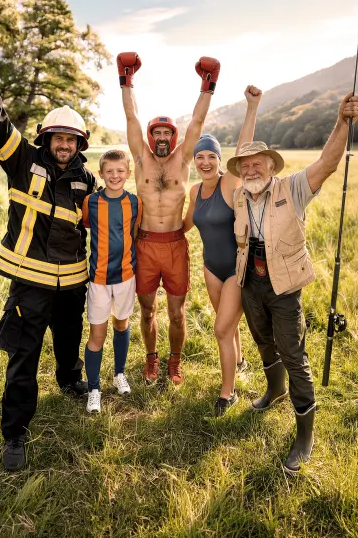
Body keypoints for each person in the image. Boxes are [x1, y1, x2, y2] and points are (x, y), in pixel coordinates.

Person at [0, 34, 97, 472]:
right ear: (46, 137)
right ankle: (16, 434)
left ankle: (69, 379)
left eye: (72, 140)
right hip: (31, 281)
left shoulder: (86, 179)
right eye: (58, 139)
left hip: (73, 279)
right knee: (24, 356)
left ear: (80, 144)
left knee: (68, 338)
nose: (65, 146)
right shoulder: (21, 159)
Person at [229, 92, 358, 473]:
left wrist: (342, 122)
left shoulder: (293, 188)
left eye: (258, 164)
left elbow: (328, 162)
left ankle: (305, 435)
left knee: (294, 354)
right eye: (246, 165)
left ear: (271, 166)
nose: (252, 169)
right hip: (249, 282)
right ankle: (274, 391)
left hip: (285, 287)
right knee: (261, 339)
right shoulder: (240, 194)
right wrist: (250, 108)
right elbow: (242, 150)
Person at [116, 51, 221, 386]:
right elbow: (131, 117)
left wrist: (208, 86)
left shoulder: (183, 160)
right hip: (145, 246)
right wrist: (126, 79)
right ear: (150, 137)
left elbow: (197, 124)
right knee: (147, 311)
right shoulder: (142, 160)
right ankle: (151, 359)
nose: (161, 138)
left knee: (176, 313)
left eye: (167, 134)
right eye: (156, 133)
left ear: (173, 137)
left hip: (175, 246)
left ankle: (174, 362)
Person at [183, 84, 263, 417]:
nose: (204, 161)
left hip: (236, 268)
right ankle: (240, 360)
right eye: (199, 156)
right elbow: (184, 225)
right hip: (211, 268)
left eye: (211, 157)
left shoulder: (230, 183)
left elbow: (244, 148)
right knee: (228, 326)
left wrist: (252, 107)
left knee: (220, 328)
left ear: (219, 161)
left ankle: (228, 393)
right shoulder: (194, 190)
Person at [81, 149, 142, 414]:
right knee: (97, 333)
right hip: (98, 278)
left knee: (122, 323)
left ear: (128, 173)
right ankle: (94, 389)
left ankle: (119, 374)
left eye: (120, 171)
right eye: (110, 172)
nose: (115, 176)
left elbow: (135, 233)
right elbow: (85, 226)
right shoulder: (91, 202)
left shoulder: (135, 203)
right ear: (101, 174)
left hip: (126, 276)